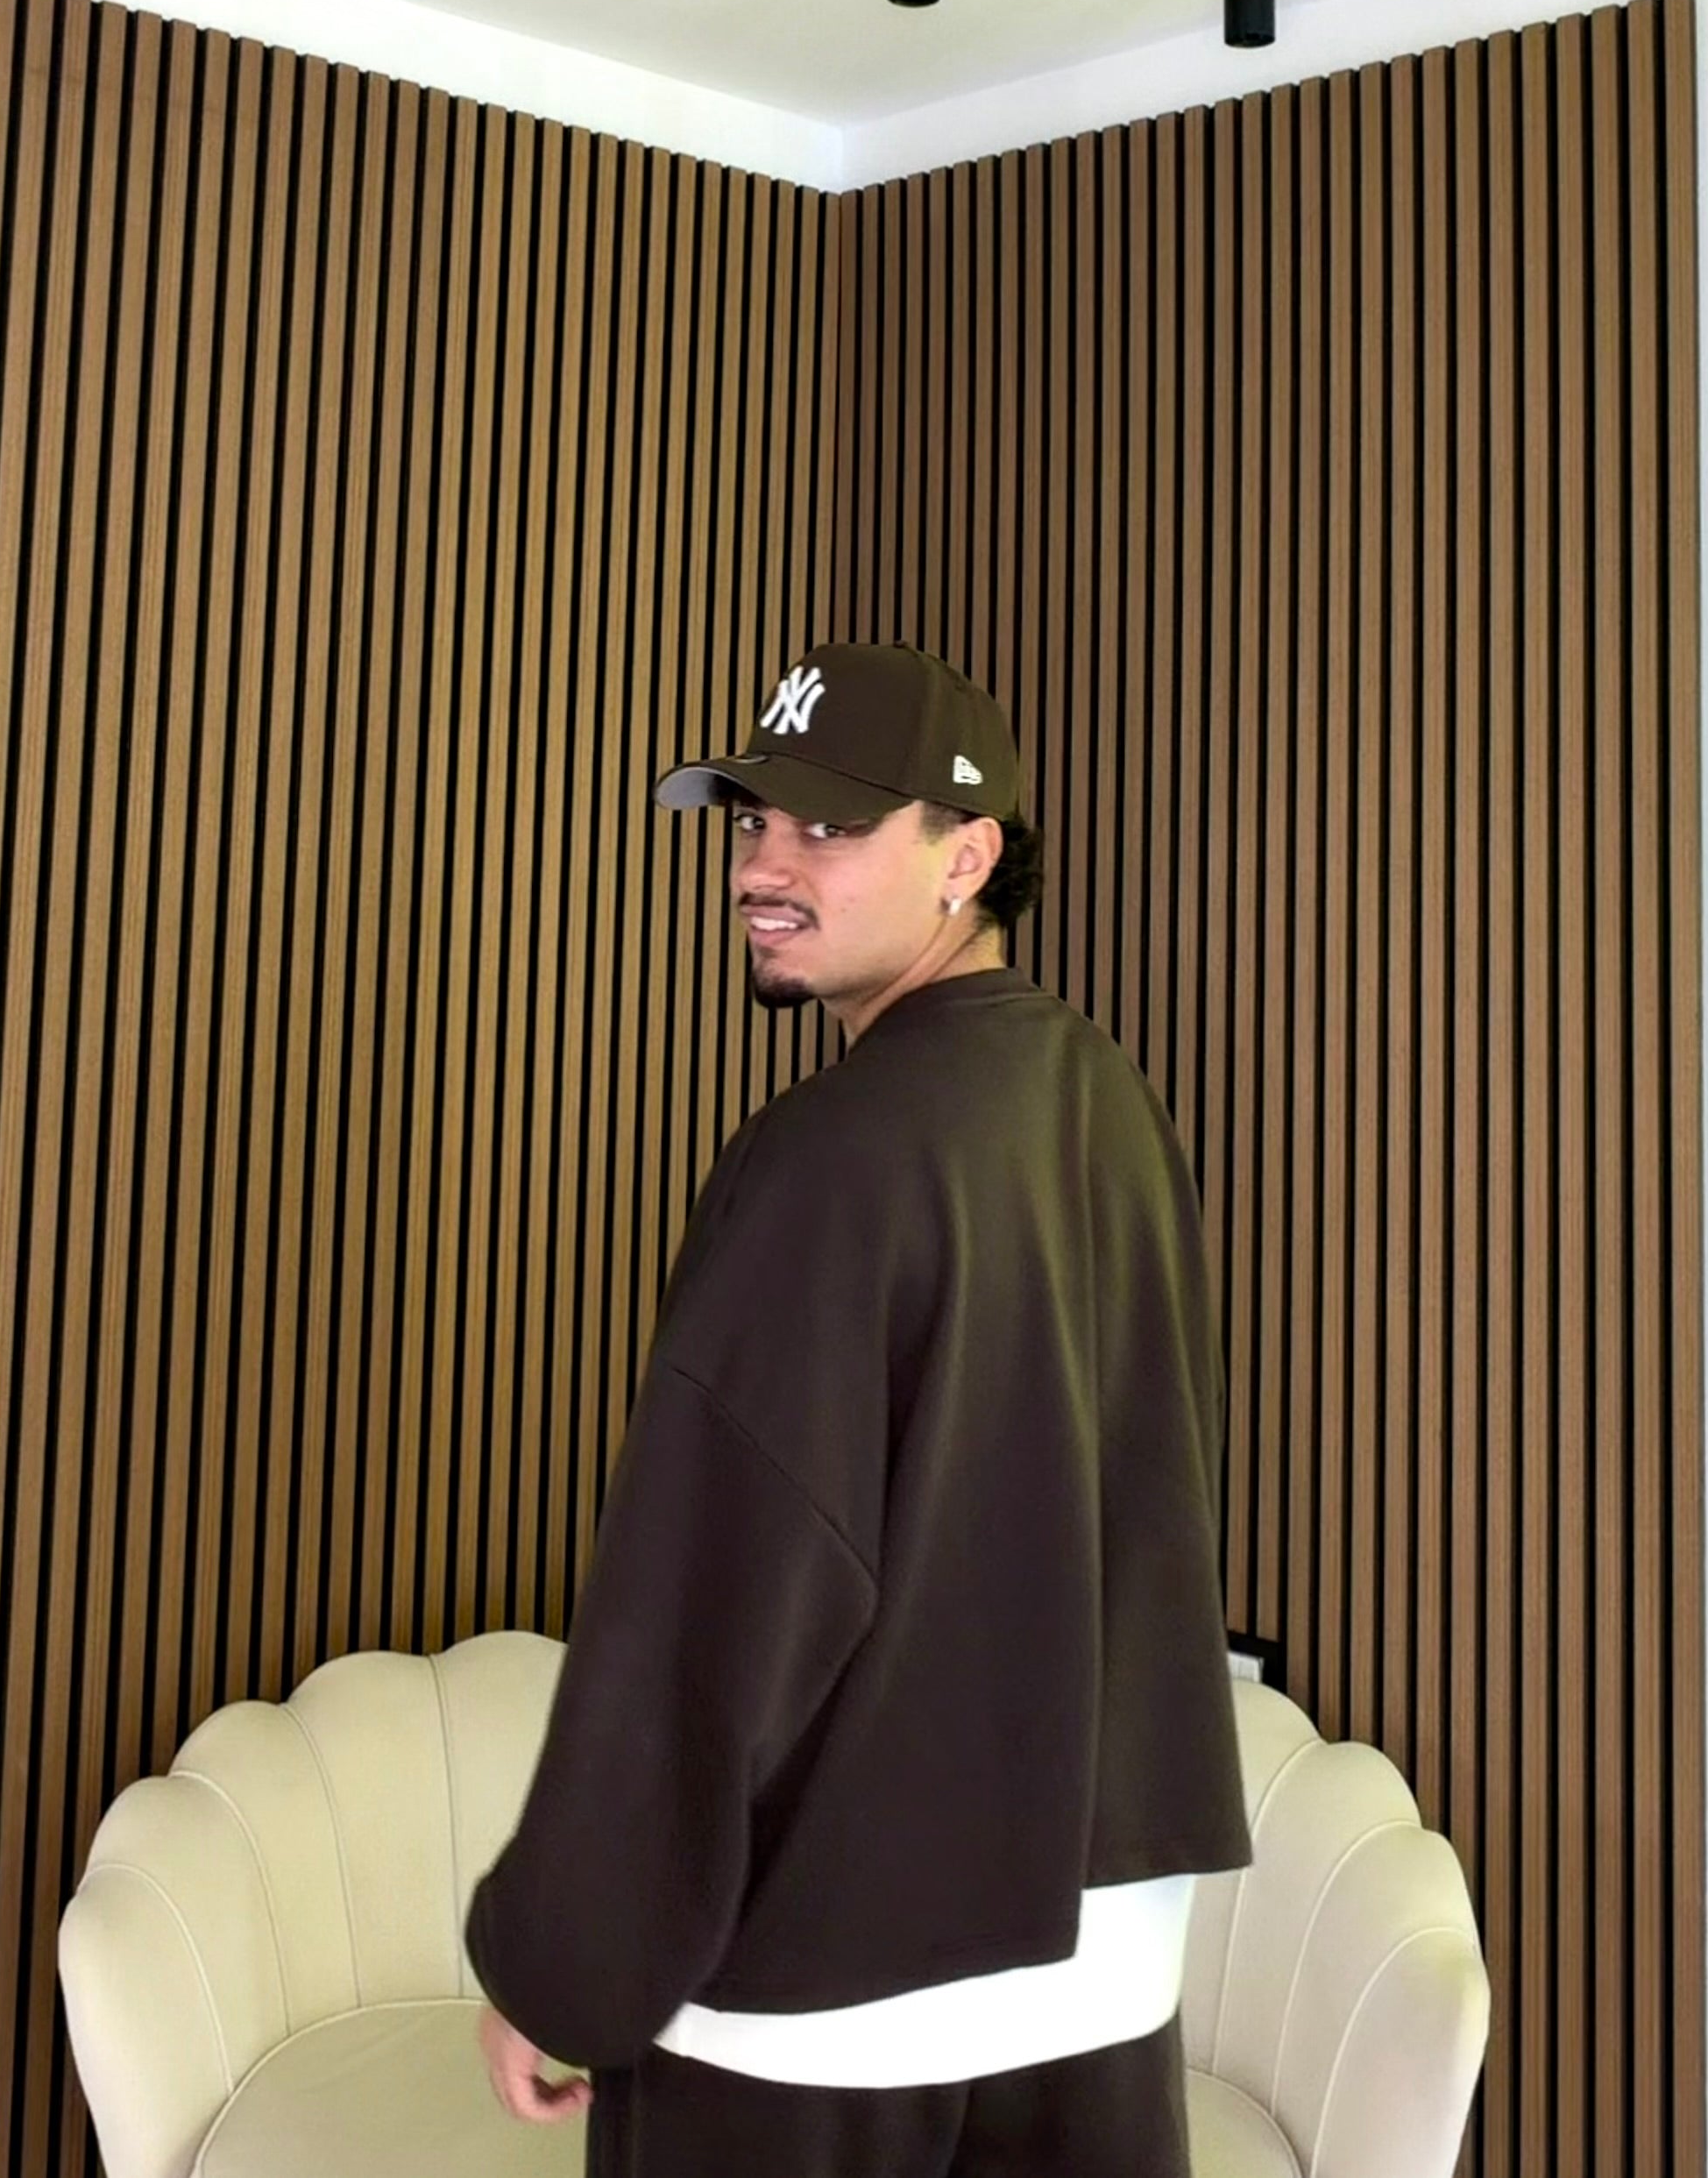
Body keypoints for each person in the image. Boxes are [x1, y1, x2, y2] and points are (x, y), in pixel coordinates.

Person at [465, 641, 1250, 2177]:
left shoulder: (825, 1157)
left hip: (832, 1989)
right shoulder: (1105, 1104)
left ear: (967, 856)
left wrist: (560, 1961)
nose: (762, 867)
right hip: (1101, 1963)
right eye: (753, 821)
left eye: (828, 827)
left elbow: (709, 1607)